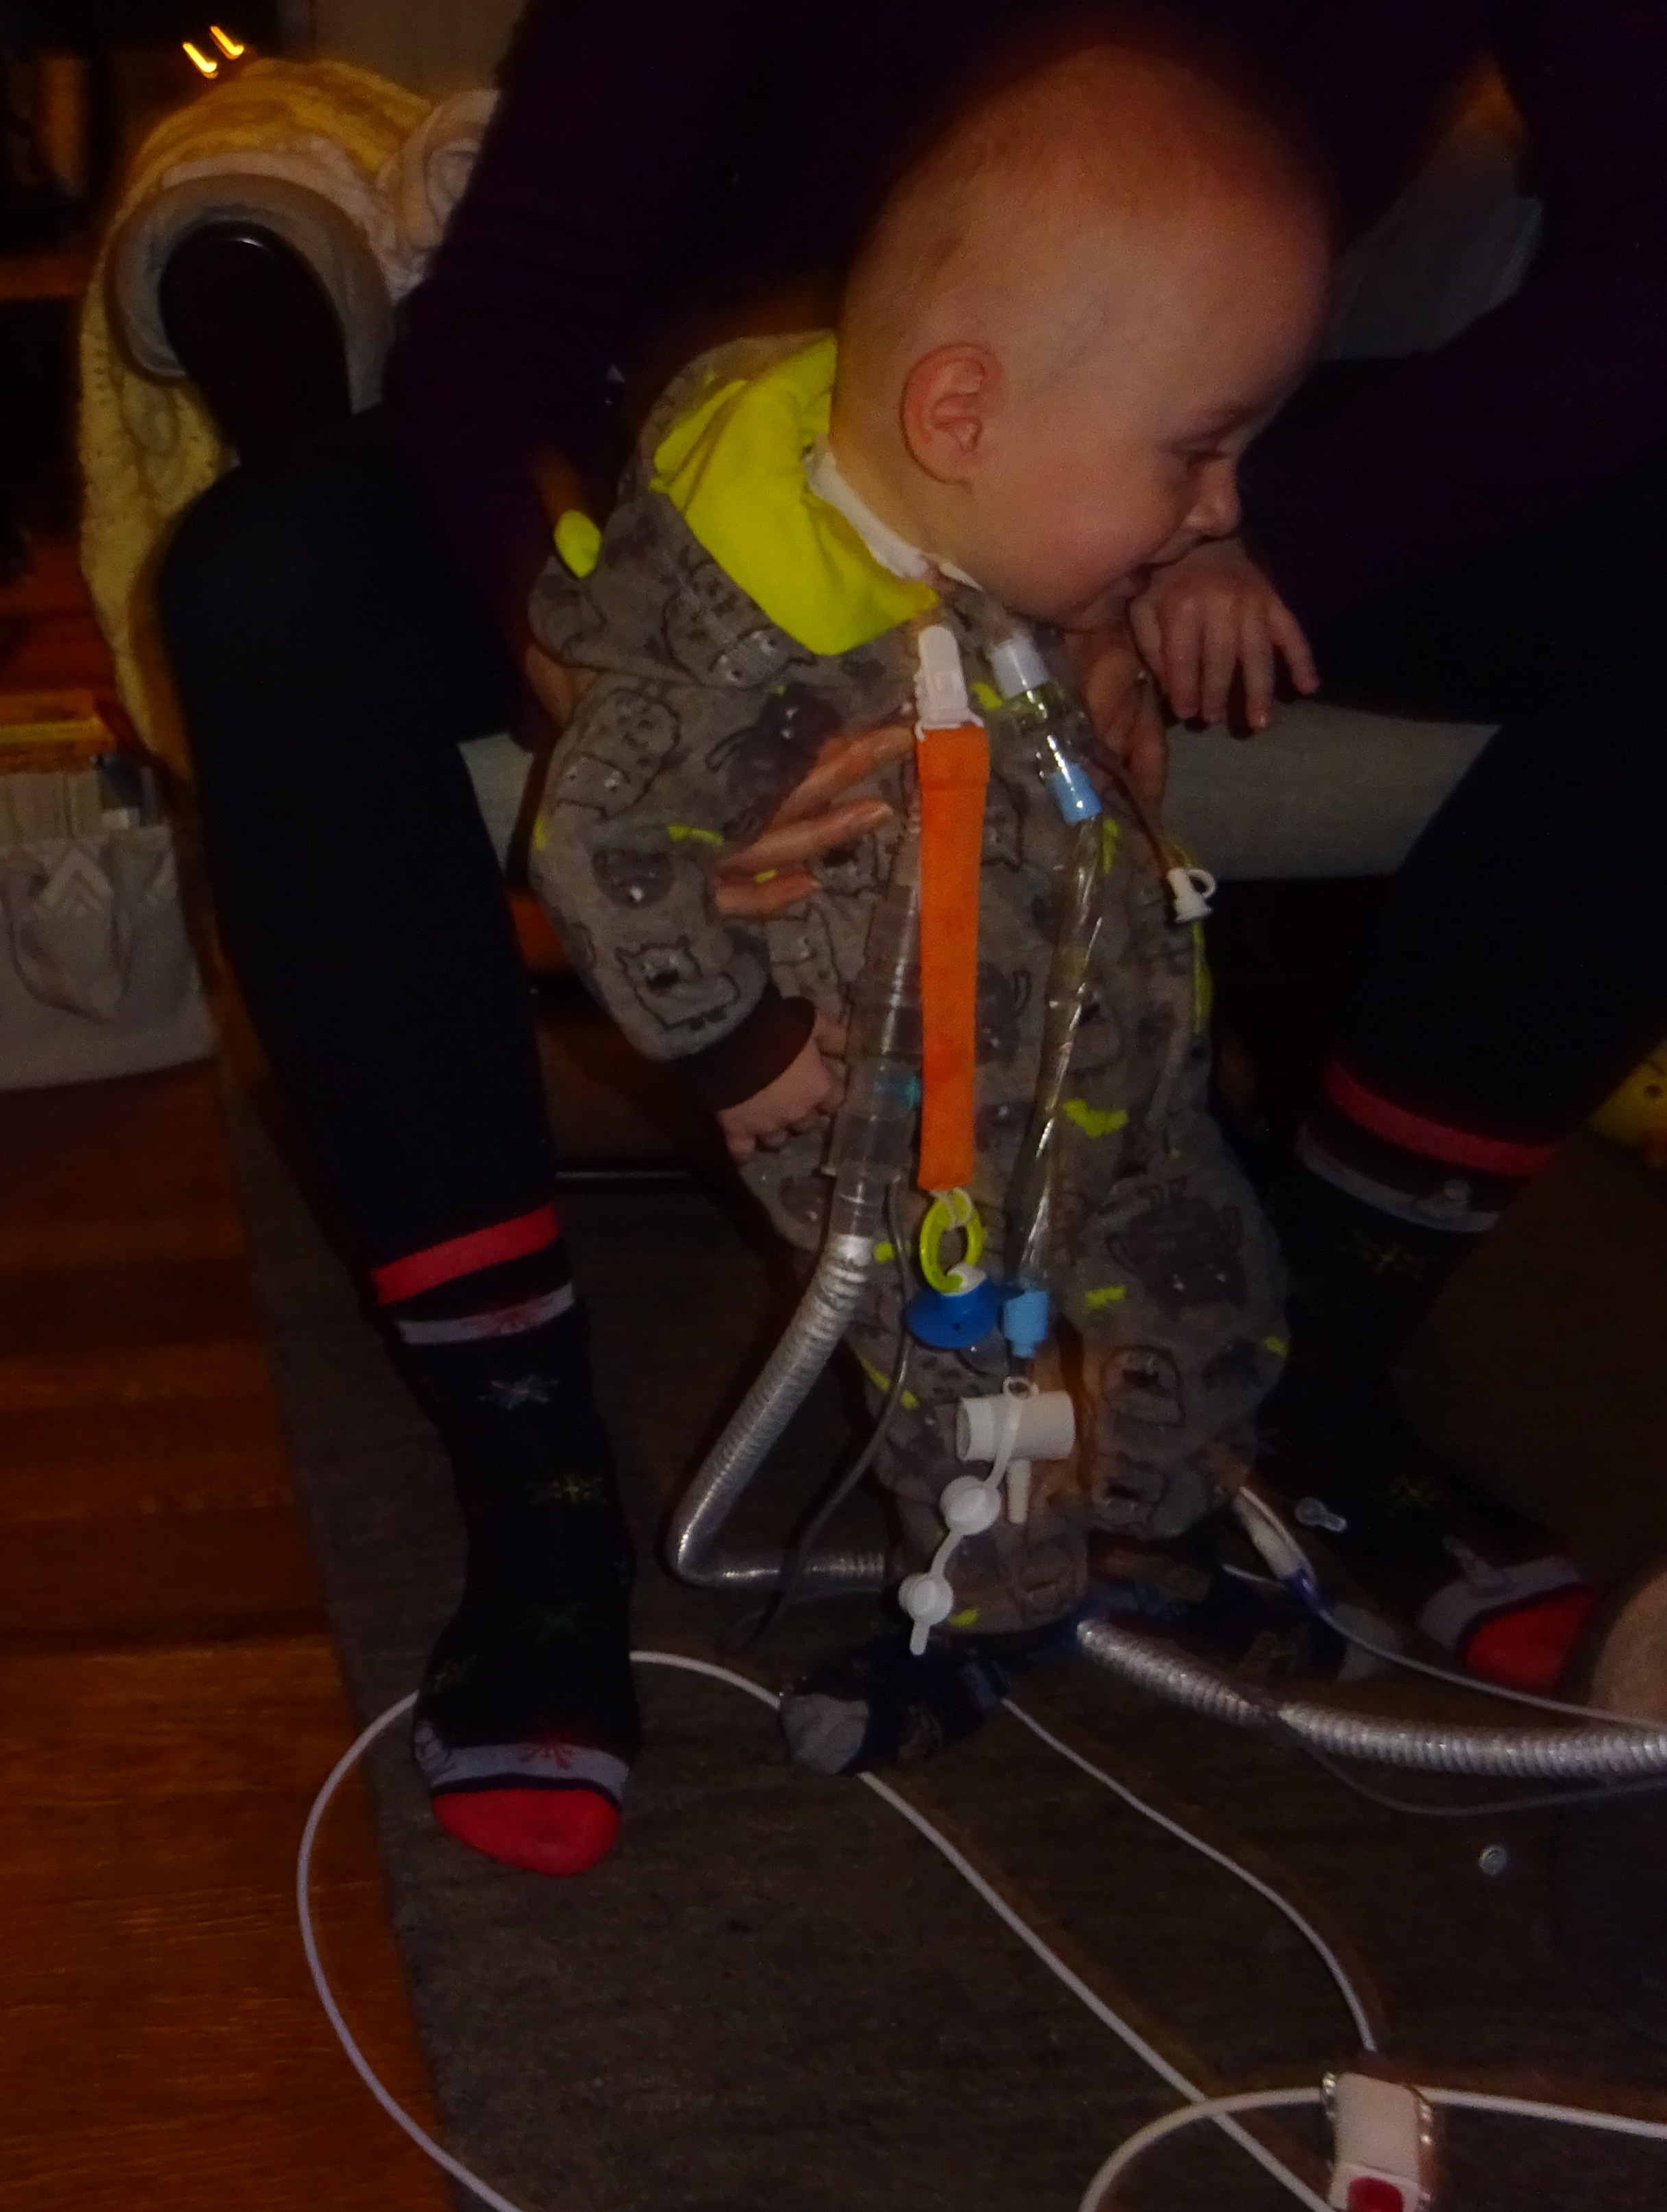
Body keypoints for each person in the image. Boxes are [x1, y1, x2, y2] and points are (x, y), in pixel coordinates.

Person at [163, 0, 1667, 1879]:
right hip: (739, 486)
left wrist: (1189, 530)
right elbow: (513, 297)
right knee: (269, 586)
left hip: (1161, 436)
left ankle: (1312, 1353)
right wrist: (601, 658)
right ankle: (529, 1465)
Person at [529, 47, 1324, 1770]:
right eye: (1195, 455)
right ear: (958, 415)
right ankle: (986, 1606)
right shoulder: (747, 649)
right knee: (971, 1387)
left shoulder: (992, 515)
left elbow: (1081, 543)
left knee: (1204, 1294)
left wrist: (1154, 573)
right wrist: (739, 1045)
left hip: (1109, 1077)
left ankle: (1164, 1512)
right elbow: (593, 837)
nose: (1223, 502)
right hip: (916, 1155)